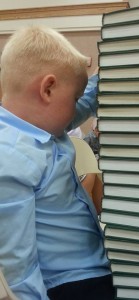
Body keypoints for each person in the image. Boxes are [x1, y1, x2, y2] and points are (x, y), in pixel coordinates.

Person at [0, 25, 114, 300]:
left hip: (93, 268)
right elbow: (17, 262)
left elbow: (85, 105)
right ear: (48, 89)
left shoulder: (46, 126)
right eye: (73, 98)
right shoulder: (11, 155)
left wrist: (108, 74)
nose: (77, 107)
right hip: (70, 285)